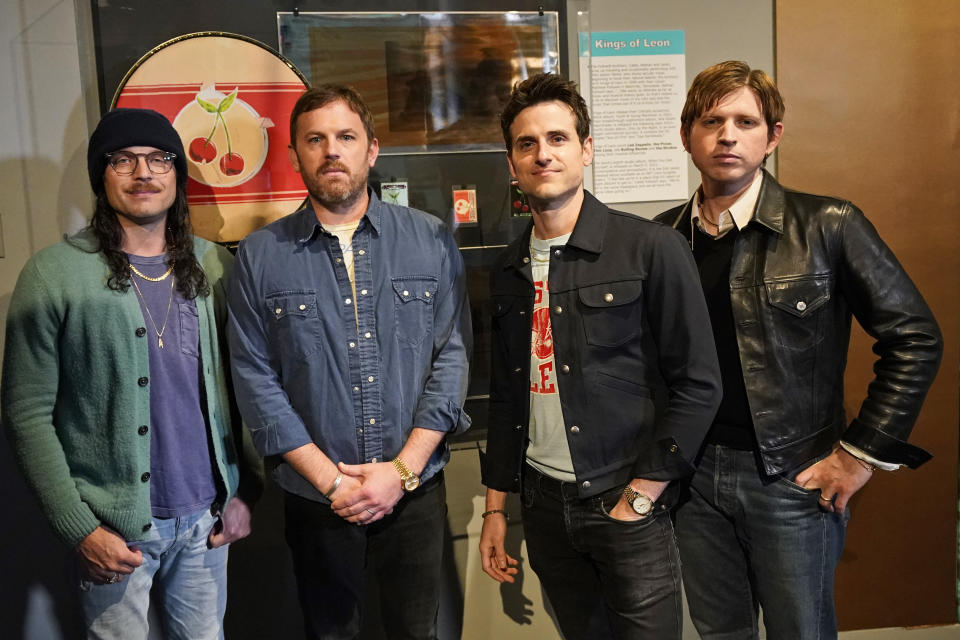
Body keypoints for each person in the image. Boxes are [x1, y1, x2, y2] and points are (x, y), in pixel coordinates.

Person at [657, 60, 943, 639]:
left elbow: (914, 335)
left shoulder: (828, 225)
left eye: (746, 120)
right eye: (712, 120)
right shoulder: (663, 240)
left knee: (801, 631)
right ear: (687, 134)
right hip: (693, 481)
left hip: (792, 477)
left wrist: (858, 456)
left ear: (773, 135)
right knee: (720, 631)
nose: (728, 135)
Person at [1, 108, 263, 639]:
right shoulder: (54, 274)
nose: (143, 172)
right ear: (103, 176)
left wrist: (244, 492)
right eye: (124, 160)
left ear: (177, 175)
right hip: (113, 531)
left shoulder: (215, 266)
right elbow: (26, 411)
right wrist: (78, 528)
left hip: (205, 523)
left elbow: (244, 388)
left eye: (158, 159)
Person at [479, 72, 722, 640]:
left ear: (586, 149)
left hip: (624, 500)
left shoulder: (650, 248)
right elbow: (510, 396)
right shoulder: (509, 268)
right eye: (527, 143)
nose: (544, 154)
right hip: (542, 505)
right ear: (511, 163)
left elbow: (699, 383)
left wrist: (643, 496)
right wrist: (497, 508)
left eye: (559, 138)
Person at [227, 84, 471, 639]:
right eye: (315, 139)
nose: (331, 150)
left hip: (413, 491)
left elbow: (451, 359)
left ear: (372, 149)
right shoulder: (261, 257)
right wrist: (332, 483)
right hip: (316, 500)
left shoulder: (430, 239)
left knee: (418, 632)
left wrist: (402, 470)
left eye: (345, 137)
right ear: (294, 155)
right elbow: (255, 379)